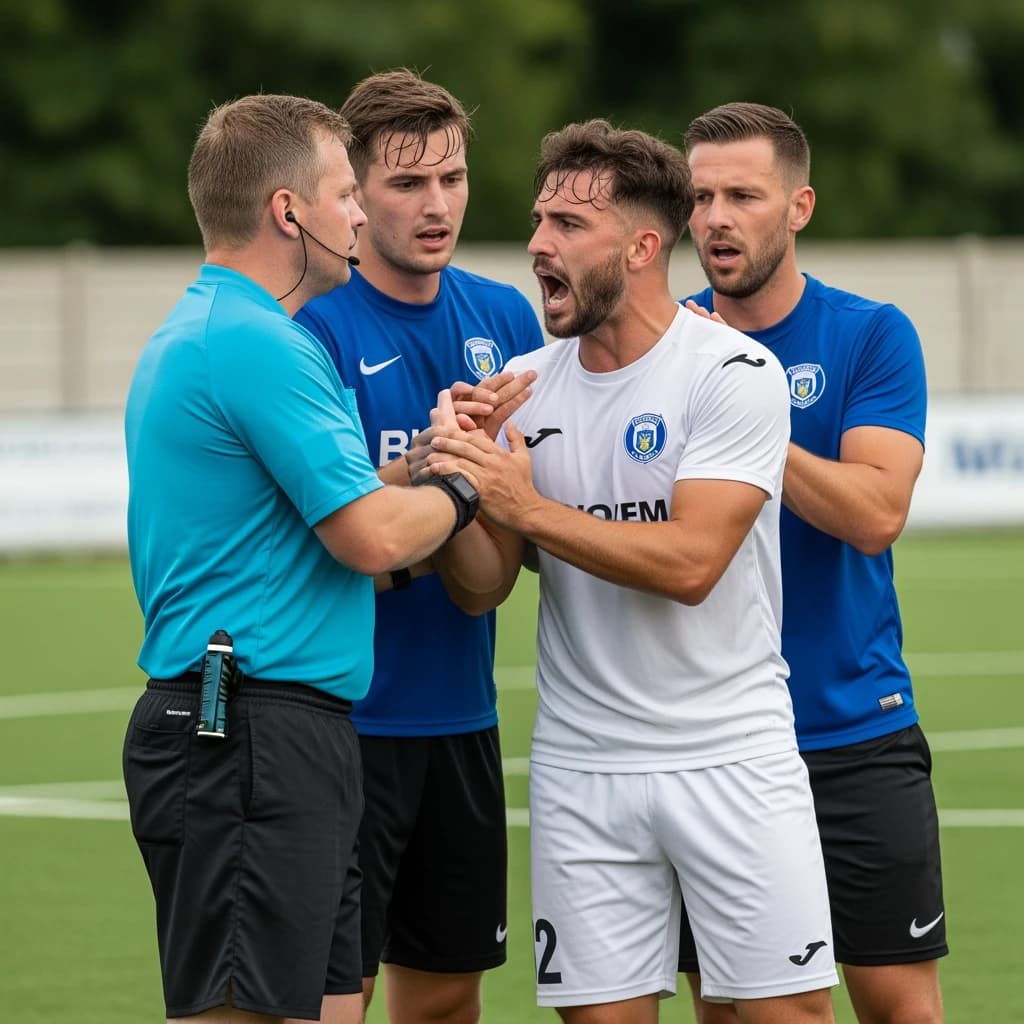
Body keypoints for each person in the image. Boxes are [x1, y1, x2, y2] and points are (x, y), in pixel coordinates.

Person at [422, 119, 838, 1024]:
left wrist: (527, 506)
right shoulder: (524, 387)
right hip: (582, 768)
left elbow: (692, 563)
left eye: (569, 225)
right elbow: (483, 587)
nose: (538, 244)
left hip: (731, 756)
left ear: (643, 247)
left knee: (786, 1016)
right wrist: (462, 478)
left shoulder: (734, 372)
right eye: (539, 220)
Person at [122, 93, 486, 1024]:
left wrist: (422, 462)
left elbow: (325, 507)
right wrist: (468, 486)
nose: (359, 214)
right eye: (345, 193)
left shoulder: (223, 328)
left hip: (273, 729)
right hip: (250, 731)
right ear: (289, 212)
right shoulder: (257, 343)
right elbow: (371, 535)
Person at [676, 102, 945, 1024]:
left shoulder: (870, 334)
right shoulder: (662, 344)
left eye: (742, 196)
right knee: (732, 1009)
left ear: (799, 207)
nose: (716, 218)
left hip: (851, 729)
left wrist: (745, 418)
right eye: (700, 197)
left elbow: (876, 513)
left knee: (900, 1006)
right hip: (709, 744)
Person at [294, 69, 543, 1024]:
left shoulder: (505, 319)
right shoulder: (313, 328)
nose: (436, 204)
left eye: (452, 177)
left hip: (461, 720)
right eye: (406, 183)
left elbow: (496, 570)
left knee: (443, 1005)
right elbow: (321, 537)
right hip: (343, 726)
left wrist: (467, 481)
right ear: (357, 196)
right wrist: (440, 469)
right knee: (331, 1004)